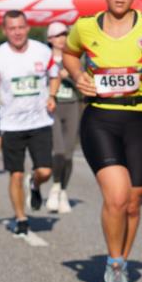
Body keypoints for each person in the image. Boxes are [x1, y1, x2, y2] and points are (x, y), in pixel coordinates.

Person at [63, 0, 142, 282]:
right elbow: (69, 53)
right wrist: (77, 76)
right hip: (100, 119)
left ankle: (120, 261)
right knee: (117, 196)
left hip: (139, 117)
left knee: (135, 203)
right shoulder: (85, 27)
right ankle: (116, 265)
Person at [0, 10, 60, 238]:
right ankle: (21, 218)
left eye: (20, 27)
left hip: (40, 120)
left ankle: (36, 184)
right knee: (16, 175)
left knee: (45, 171)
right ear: (5, 31)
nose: (17, 32)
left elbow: (55, 75)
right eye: (12, 28)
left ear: (27, 28)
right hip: (11, 124)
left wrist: (52, 96)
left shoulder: (42, 51)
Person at [46, 21, 81, 214]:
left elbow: (85, 81)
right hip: (53, 108)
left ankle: (63, 191)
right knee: (58, 151)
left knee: (68, 154)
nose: (62, 39)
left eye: (64, 35)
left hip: (73, 105)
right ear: (50, 39)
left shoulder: (74, 57)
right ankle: (55, 187)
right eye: (57, 35)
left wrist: (71, 76)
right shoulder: (44, 58)